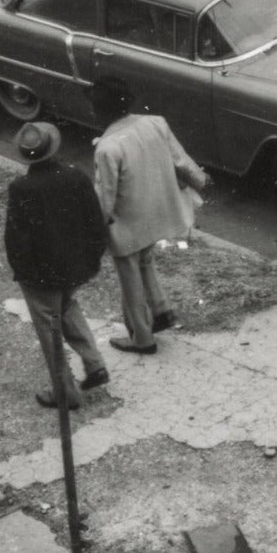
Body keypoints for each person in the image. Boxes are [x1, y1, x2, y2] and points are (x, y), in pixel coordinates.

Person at [89, 77, 208, 354]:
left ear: (101, 111)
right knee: (145, 261)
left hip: (127, 221)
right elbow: (181, 159)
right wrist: (200, 180)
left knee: (129, 277)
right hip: (158, 210)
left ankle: (142, 338)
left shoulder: (107, 148)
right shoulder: (156, 122)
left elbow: (105, 195)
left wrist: (96, 228)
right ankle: (161, 310)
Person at [3, 122, 110, 409]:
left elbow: (16, 239)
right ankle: (93, 362)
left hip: (40, 276)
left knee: (50, 331)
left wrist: (23, 273)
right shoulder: (76, 177)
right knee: (67, 306)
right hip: (75, 267)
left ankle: (66, 394)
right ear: (53, 147)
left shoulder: (21, 188)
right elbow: (95, 223)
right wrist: (91, 260)